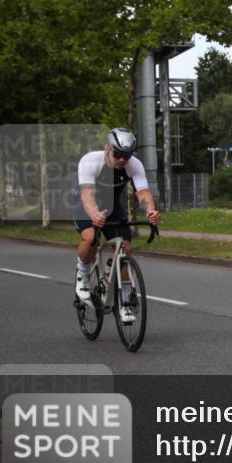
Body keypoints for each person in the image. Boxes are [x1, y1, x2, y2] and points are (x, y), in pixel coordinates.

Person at [75, 128, 161, 323]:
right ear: (108, 149)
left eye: (127, 155)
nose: (122, 159)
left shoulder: (134, 165)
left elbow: (143, 193)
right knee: (90, 239)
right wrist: (94, 214)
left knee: (125, 249)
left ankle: (124, 300)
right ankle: (83, 274)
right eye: (119, 154)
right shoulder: (90, 161)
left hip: (113, 206)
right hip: (86, 204)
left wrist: (150, 212)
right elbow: (87, 195)